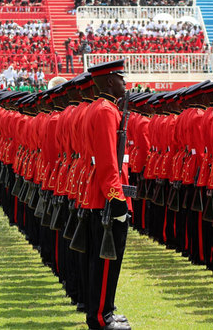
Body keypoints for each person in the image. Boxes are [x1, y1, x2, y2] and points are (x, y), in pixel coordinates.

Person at [84, 59, 132, 330]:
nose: (125, 84)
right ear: (110, 81)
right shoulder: (104, 111)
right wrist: (116, 199)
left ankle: (106, 311)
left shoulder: (104, 108)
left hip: (103, 192)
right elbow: (106, 161)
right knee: (105, 262)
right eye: (121, 78)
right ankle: (101, 318)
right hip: (106, 197)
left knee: (104, 262)